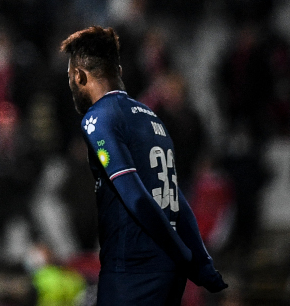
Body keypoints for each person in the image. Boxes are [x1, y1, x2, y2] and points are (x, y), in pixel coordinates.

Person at [60, 26, 227, 305]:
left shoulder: (99, 118)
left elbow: (135, 196)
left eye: (70, 77)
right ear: (120, 71)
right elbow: (176, 200)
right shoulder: (150, 117)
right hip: (167, 272)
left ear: (79, 76)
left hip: (133, 265)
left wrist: (182, 253)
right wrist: (201, 262)